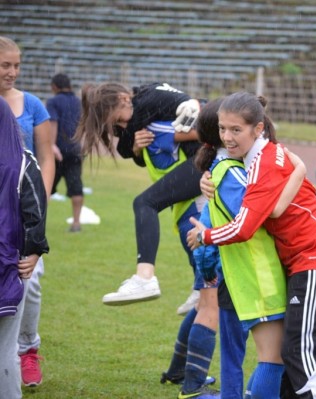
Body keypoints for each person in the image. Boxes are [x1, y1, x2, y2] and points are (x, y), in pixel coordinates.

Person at [187, 91, 316, 399]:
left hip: (302, 261)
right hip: (275, 268)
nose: (228, 136)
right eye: (223, 129)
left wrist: (204, 236)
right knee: (285, 354)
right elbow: (276, 205)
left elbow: (248, 225)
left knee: (296, 356)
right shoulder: (257, 158)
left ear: (257, 129)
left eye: (236, 130)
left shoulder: (257, 164)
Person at [76, 82, 203, 311]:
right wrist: (135, 148)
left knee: (145, 202)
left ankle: (145, 277)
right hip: (197, 161)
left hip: (204, 161)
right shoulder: (136, 117)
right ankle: (201, 286)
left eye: (120, 119)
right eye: (118, 124)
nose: (124, 126)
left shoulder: (149, 101)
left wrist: (192, 106)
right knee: (188, 228)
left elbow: (192, 104)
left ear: (125, 99)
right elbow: (126, 148)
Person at [0, 35, 54, 388]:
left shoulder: (31, 104)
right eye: (6, 65)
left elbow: (45, 158)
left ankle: (27, 350)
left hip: (24, 211)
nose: (13, 72)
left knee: (29, 282)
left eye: (17, 65)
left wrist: (39, 207)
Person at [47, 73, 84, 233]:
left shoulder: (53, 101)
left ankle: (37, 223)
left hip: (58, 151)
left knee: (45, 188)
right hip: (75, 150)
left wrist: (52, 146)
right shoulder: (78, 102)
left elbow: (53, 123)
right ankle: (76, 223)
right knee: (76, 186)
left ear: (54, 87)